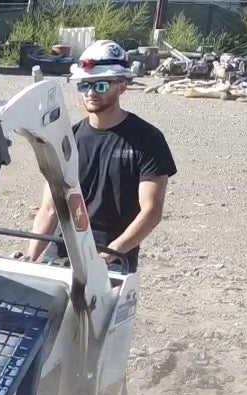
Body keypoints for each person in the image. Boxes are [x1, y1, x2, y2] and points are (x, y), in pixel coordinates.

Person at [25, 40, 177, 273]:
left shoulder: (148, 140)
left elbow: (151, 212)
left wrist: (109, 254)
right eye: (84, 85)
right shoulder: (68, 138)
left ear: (122, 86)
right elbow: (50, 208)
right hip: (60, 253)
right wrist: (30, 256)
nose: (91, 92)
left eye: (101, 85)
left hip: (113, 258)